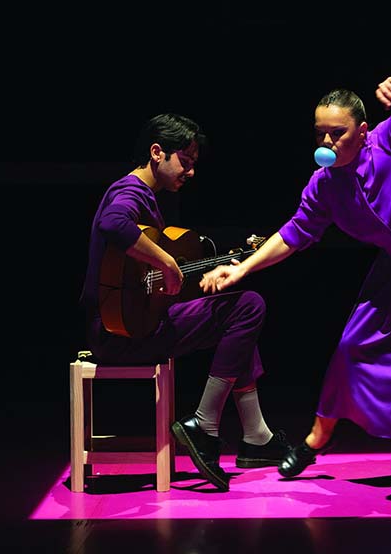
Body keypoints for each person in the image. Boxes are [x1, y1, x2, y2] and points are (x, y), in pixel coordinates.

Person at [199, 77, 391, 497]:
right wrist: (243, 269)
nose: (327, 141)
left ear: (361, 132)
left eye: (337, 132)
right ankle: (316, 440)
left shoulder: (390, 140)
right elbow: (294, 232)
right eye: (320, 132)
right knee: (350, 346)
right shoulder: (324, 183)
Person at [79, 113, 291, 492]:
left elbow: (149, 286)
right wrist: (167, 261)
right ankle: (205, 425)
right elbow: (114, 223)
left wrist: (205, 273)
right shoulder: (130, 193)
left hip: (132, 325)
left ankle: (257, 437)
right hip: (121, 335)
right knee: (249, 306)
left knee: (238, 315)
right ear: (157, 152)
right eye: (185, 162)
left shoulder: (147, 198)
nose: (190, 172)